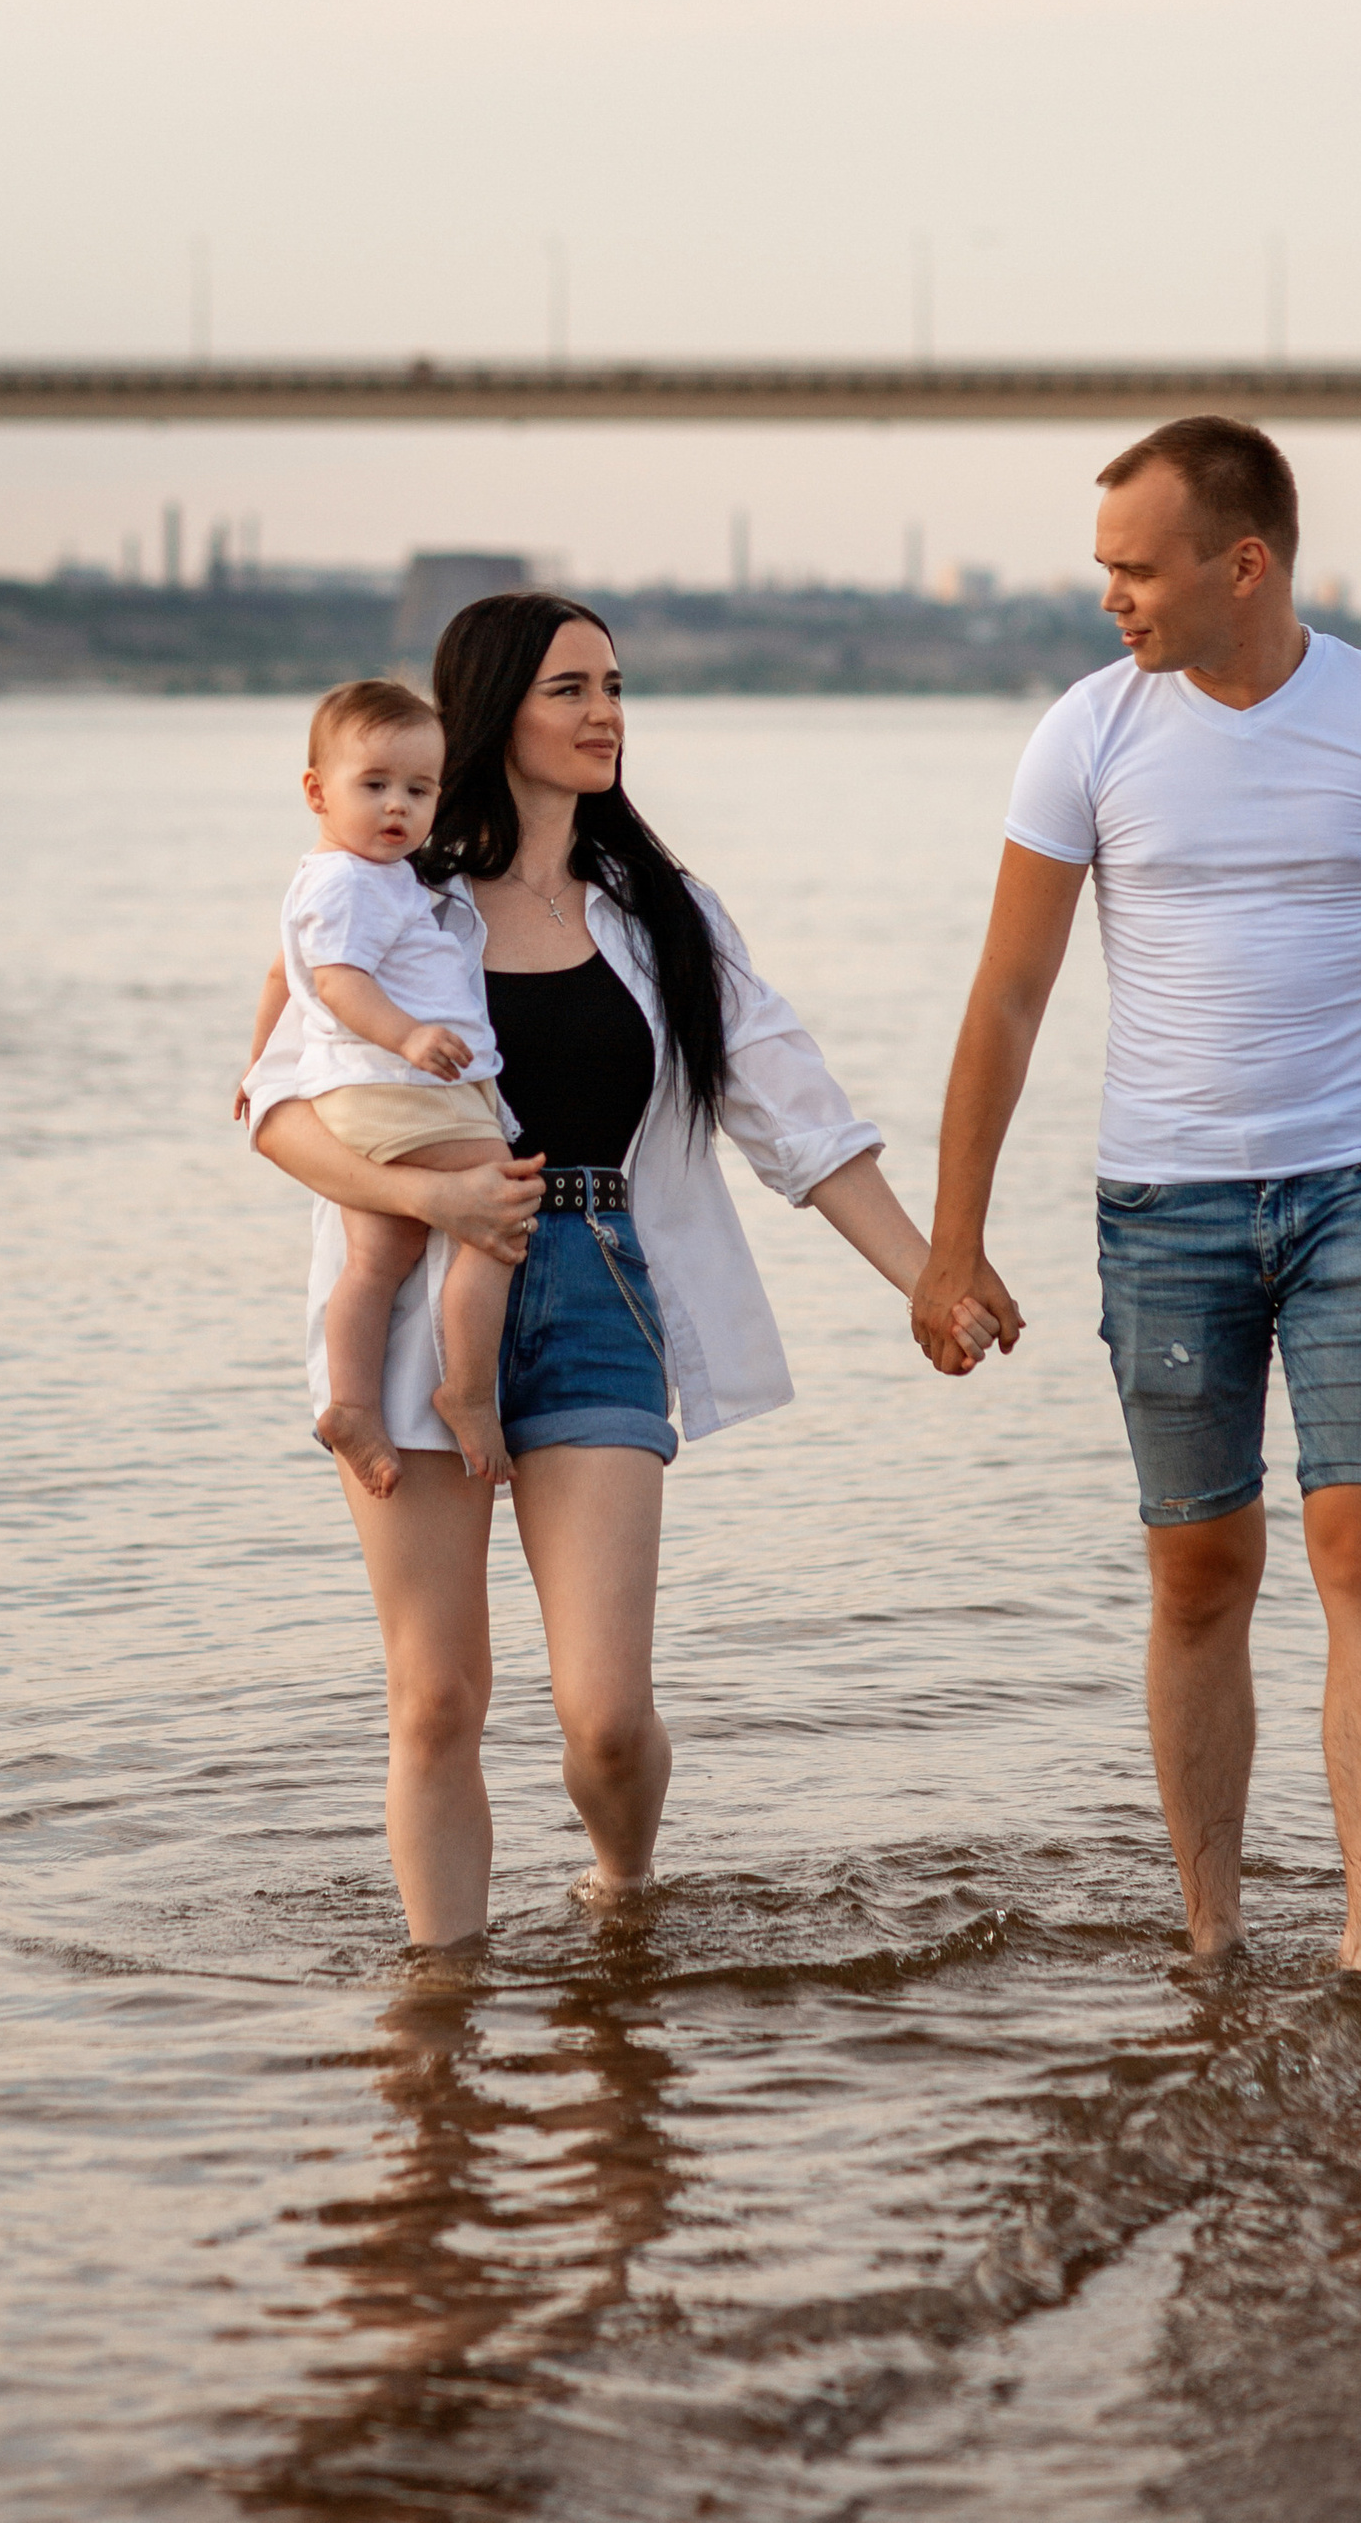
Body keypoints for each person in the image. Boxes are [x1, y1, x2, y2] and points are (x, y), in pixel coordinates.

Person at [913, 418, 1361, 2020]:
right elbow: (1007, 996)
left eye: (1138, 566)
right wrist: (951, 1236)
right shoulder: (1088, 733)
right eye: (1105, 567)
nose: (1113, 597)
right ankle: (1208, 1938)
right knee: (1200, 1573)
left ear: (1241, 563)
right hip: (1165, 1205)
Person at [246, 592, 996, 1946]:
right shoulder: (382, 888)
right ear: (494, 713)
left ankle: (623, 1896)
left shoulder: (664, 913)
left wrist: (928, 1279)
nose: (605, 714)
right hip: (417, 1301)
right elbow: (268, 1106)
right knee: (437, 1699)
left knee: (601, 1717)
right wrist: (438, 1197)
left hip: (597, 1287)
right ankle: (440, 2016)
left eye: (613, 685)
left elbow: (799, 1117)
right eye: (569, 690)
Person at [246, 678, 519, 1501]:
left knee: (376, 1258)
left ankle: (351, 1404)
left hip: (367, 1091)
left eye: (418, 790)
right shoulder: (351, 884)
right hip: (397, 1085)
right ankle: (467, 1390)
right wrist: (408, 1034)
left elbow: (278, 975)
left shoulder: (353, 876)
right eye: (374, 787)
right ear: (316, 791)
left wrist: (257, 1063)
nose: (397, 808)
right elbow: (333, 984)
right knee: (502, 1208)